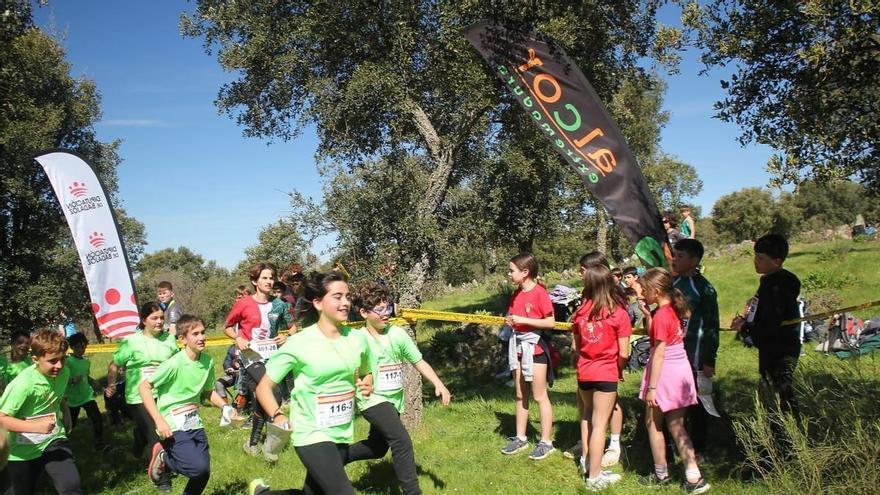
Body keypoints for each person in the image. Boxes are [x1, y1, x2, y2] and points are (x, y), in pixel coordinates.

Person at [248, 271, 374, 495]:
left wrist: (367, 382)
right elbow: (264, 388)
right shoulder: (299, 343)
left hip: (341, 430)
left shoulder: (358, 339)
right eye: (337, 297)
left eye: (347, 296)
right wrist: (278, 415)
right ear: (317, 302)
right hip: (310, 432)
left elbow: (366, 372)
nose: (345, 302)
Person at [344, 281, 451, 494]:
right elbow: (347, 365)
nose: (386, 313)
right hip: (372, 399)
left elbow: (418, 361)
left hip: (394, 400)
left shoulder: (398, 334)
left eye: (389, 307)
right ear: (364, 313)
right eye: (380, 309)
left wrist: (439, 384)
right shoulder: (358, 338)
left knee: (377, 448)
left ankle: (333, 458)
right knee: (401, 441)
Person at [142, 315, 238, 495]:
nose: (201, 337)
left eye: (203, 332)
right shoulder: (174, 364)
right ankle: (164, 457)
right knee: (197, 469)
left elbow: (208, 391)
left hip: (194, 421)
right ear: (183, 339)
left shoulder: (207, 361)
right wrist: (159, 420)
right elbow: (144, 387)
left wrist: (226, 407)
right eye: (195, 334)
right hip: (172, 424)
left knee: (203, 474)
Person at [637, 268, 710, 494]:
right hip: (681, 369)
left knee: (653, 423)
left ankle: (661, 474)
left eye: (645, 291)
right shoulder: (674, 310)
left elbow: (658, 353)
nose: (641, 295)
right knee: (677, 425)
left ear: (657, 291)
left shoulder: (662, 315)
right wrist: (648, 314)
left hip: (665, 373)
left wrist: (652, 387)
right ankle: (693, 474)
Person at [105, 301, 179, 490]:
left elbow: (177, 365)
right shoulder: (131, 341)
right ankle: (162, 479)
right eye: (154, 318)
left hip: (163, 394)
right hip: (138, 397)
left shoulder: (169, 340)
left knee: (162, 430)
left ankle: (139, 437)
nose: (159, 322)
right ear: (143, 320)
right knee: (157, 433)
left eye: (161, 318)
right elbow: (114, 365)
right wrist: (111, 385)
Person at [224, 262, 295, 457]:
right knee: (275, 395)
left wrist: (287, 335)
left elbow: (293, 327)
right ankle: (272, 446)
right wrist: (238, 338)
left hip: (272, 355)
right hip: (250, 358)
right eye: (265, 277)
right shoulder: (243, 303)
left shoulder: (280, 304)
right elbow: (228, 326)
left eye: (271, 277)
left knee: (261, 401)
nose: (269, 281)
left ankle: (253, 444)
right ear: (255, 281)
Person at [571, 264, 632, 491]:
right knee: (600, 425)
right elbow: (624, 352)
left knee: (587, 417)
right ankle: (594, 477)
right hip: (606, 373)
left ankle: (588, 464)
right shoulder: (619, 314)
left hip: (584, 372)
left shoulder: (579, 313)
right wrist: (618, 369)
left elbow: (576, 347)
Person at [0, 329, 83, 495]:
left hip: (53, 439)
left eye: (62, 359)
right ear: (35, 359)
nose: (59, 365)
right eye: (52, 361)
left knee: (71, 487)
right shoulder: (23, 385)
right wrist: (35, 427)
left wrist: (65, 411)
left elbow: (55, 395)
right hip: (20, 452)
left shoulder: (63, 372)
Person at [731, 234, 801, 414]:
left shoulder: (780, 285)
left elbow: (772, 320)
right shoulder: (768, 282)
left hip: (782, 346)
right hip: (770, 345)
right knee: (771, 387)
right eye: (755, 256)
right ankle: (775, 427)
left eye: (761, 258)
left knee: (782, 389)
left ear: (777, 261)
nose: (756, 261)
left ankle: (788, 432)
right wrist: (747, 320)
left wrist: (745, 327)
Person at [500, 253, 556, 460]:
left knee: (539, 395)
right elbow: (515, 317)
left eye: (511, 270)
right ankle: (520, 437)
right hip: (519, 347)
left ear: (525, 272)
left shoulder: (540, 293)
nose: (509, 274)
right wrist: (511, 321)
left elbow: (550, 322)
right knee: (520, 393)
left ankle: (546, 442)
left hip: (536, 348)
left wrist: (522, 319)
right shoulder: (517, 294)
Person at [672, 239, 720, 460]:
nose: (675, 259)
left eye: (680, 256)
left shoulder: (704, 288)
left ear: (694, 260)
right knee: (676, 400)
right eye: (675, 255)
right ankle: (677, 444)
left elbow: (712, 325)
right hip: (674, 354)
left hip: (696, 354)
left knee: (698, 402)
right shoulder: (672, 284)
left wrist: (709, 359)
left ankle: (700, 448)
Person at [64, 333, 106, 452]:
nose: (81, 350)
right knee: (71, 424)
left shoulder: (86, 362)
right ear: (72, 347)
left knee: (97, 418)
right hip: (72, 399)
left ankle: (99, 443)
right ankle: (61, 443)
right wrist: (72, 380)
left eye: (83, 347)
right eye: (77, 347)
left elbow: (85, 376)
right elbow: (61, 378)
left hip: (86, 396)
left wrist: (93, 382)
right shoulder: (68, 361)